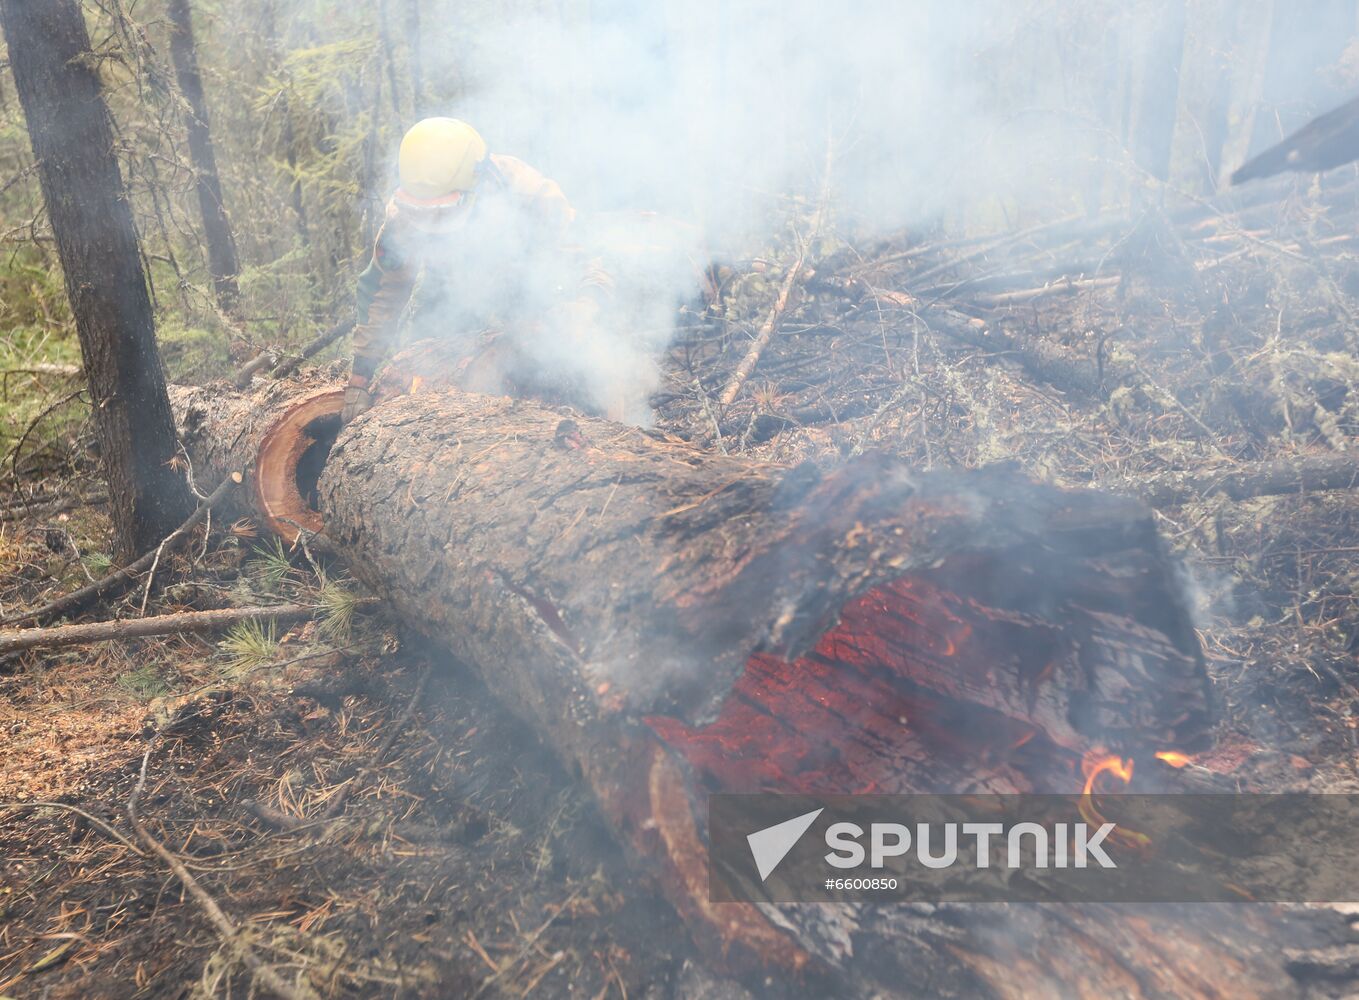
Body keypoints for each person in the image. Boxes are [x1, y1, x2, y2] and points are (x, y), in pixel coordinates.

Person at [341, 117, 610, 424]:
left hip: (529, 292)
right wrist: (359, 378)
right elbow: (383, 291)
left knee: (548, 374)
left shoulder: (530, 195)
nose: (430, 222)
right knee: (425, 376)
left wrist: (585, 307)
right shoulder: (405, 214)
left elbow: (588, 258)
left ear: (476, 183)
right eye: (421, 211)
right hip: (450, 294)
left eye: (441, 209)